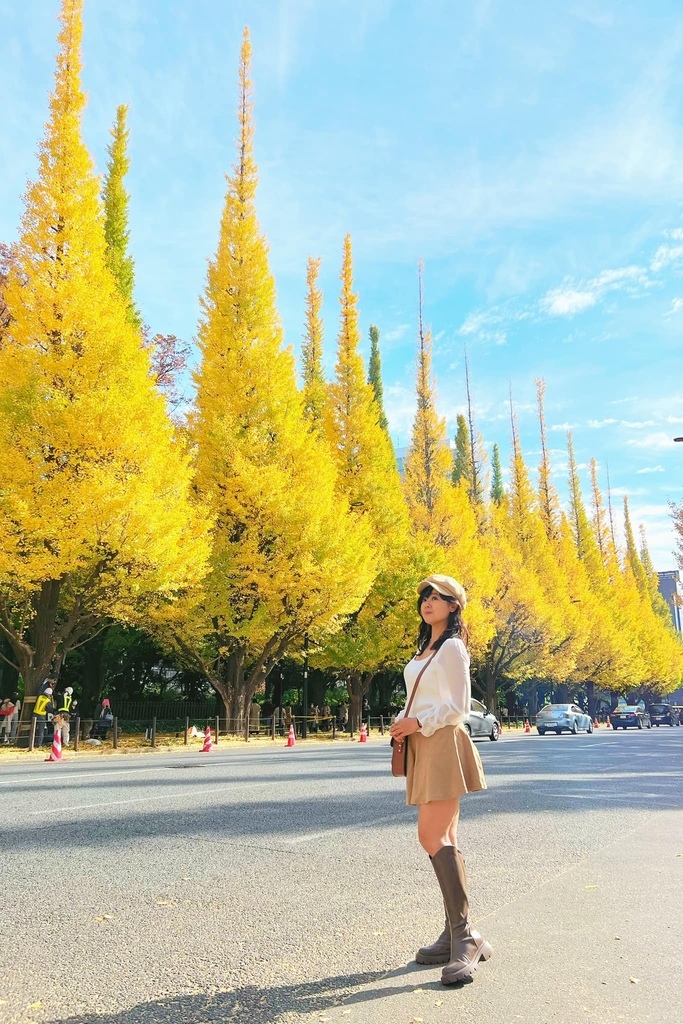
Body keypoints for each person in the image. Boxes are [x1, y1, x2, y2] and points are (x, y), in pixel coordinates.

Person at [389, 575, 492, 985]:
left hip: (443, 742)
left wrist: (419, 720)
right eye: (426, 596)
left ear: (454, 606)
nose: (429, 602)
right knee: (444, 837)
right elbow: (429, 697)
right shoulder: (425, 649)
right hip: (422, 744)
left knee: (431, 836)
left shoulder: (451, 646)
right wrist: (405, 720)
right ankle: (458, 934)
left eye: (439, 597)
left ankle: (463, 936)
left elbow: (457, 707)